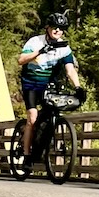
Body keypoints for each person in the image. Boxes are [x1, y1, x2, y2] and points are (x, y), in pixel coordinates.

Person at [17, 12, 86, 172]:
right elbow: (21, 60)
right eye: (55, 27)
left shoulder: (63, 47)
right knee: (32, 118)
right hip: (31, 84)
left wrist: (78, 87)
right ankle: (27, 156)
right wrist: (40, 51)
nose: (58, 31)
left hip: (48, 86)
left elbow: (70, 70)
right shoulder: (35, 41)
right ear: (48, 28)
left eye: (61, 29)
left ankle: (41, 147)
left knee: (51, 114)